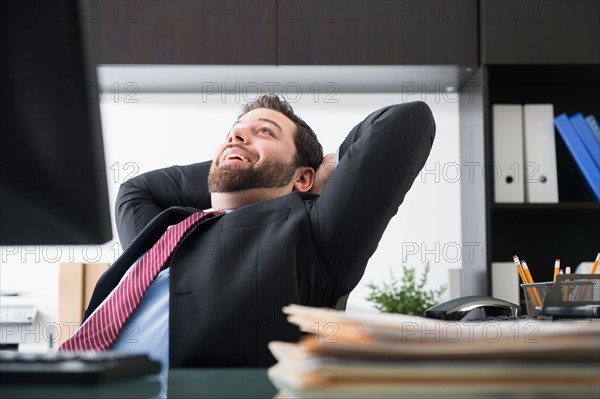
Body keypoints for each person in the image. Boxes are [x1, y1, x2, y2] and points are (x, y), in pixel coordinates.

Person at [65, 95, 435, 368]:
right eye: (232, 133)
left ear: (305, 177)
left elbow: (406, 121)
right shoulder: (167, 233)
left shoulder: (311, 234)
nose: (237, 137)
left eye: (264, 131)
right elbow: (136, 190)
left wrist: (306, 172)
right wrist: (235, 164)